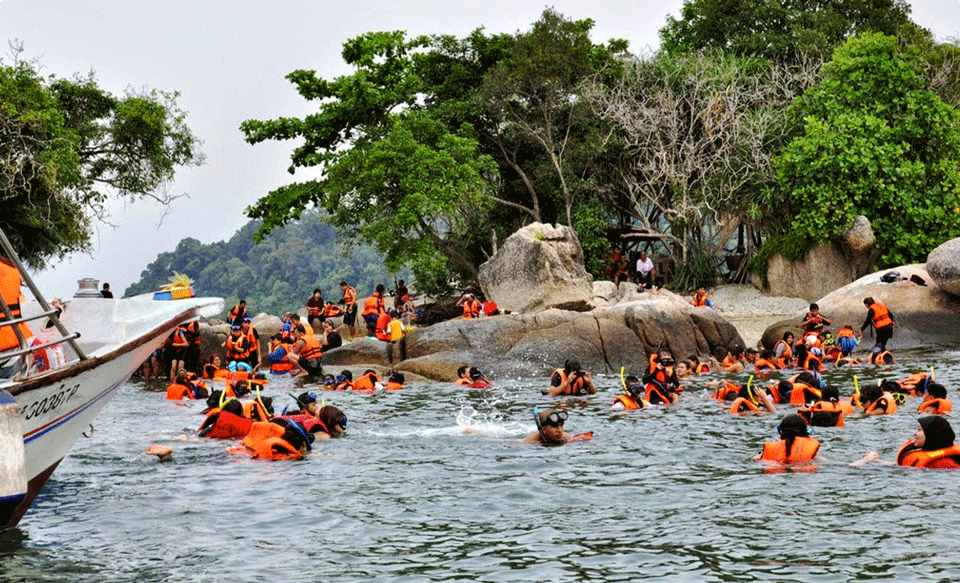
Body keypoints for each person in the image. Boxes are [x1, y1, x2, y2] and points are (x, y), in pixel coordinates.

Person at [855, 417, 960, 469]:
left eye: (919, 430)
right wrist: (875, 461)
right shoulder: (932, 456)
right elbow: (903, 467)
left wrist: (862, 463)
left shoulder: (942, 463)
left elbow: (899, 472)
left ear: (932, 436)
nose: (914, 433)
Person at [754, 414, 821, 463]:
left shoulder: (768, 451)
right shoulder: (813, 455)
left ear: (781, 431)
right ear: (805, 432)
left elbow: (754, 459)